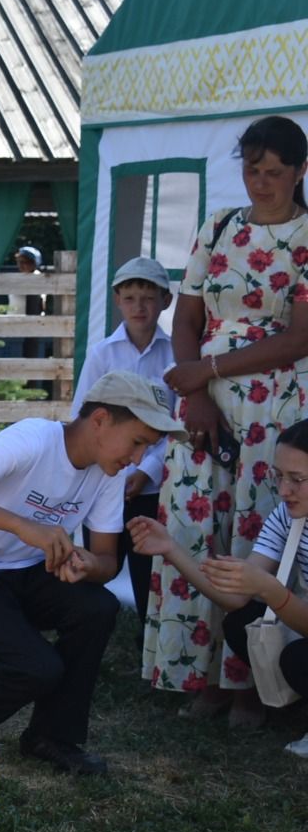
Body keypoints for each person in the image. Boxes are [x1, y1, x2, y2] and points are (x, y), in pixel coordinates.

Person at [143, 115, 308, 728]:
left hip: (275, 405)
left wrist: (206, 369)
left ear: (299, 172)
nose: (260, 183)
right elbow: (186, 317)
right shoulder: (217, 227)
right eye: (251, 169)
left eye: (273, 172)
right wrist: (199, 391)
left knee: (253, 532)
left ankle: (248, 683)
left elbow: (297, 339)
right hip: (204, 399)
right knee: (196, 525)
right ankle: (198, 676)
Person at [0, 371, 184, 776]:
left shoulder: (106, 472)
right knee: (38, 667)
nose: (137, 459)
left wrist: (87, 565)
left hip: (27, 571)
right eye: (137, 442)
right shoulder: (34, 439)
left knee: (98, 607)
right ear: (100, 420)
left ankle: (52, 736)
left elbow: (106, 562)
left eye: (146, 448)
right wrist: (23, 526)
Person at [131, 418, 308, 759]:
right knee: (242, 623)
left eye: (297, 479)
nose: (283, 490)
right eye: (279, 475)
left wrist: (271, 590)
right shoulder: (288, 516)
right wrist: (170, 549)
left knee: (298, 656)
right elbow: (235, 597)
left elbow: (266, 590)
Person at [73, 257, 177, 620]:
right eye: (130, 297)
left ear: (166, 300)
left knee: (150, 570)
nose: (139, 306)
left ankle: (147, 645)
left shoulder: (176, 354)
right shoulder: (103, 354)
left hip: (153, 487)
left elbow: (175, 426)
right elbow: (83, 414)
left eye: (148, 298)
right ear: (117, 299)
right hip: (107, 481)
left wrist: (147, 470)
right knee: (101, 562)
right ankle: (88, 626)